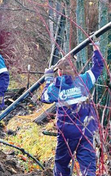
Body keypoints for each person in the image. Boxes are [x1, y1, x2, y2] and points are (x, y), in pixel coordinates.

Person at [41, 42, 103, 176]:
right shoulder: (84, 80)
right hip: (87, 132)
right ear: (75, 70)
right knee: (88, 168)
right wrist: (96, 49)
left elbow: (45, 98)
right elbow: (98, 67)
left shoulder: (55, 87)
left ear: (59, 72)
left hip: (66, 135)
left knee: (61, 164)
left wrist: (48, 79)